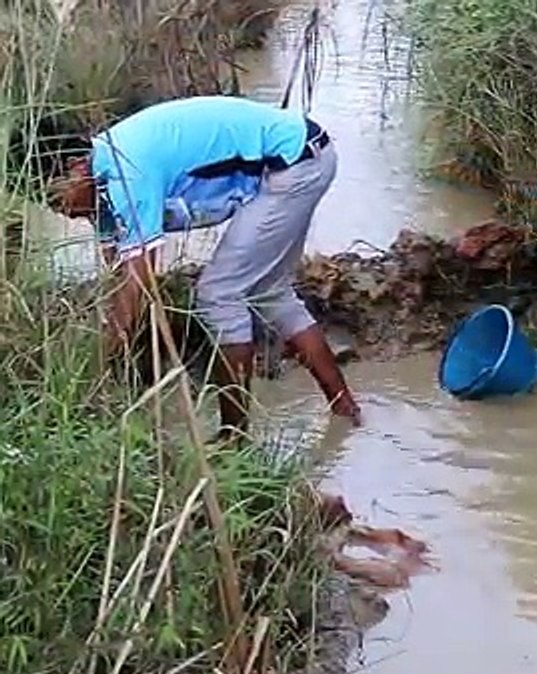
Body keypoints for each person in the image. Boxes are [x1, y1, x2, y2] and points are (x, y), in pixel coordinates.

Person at [50, 95, 361, 439]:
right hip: (302, 153)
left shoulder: (125, 174)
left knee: (218, 295)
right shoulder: (103, 179)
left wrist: (97, 372)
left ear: (77, 168)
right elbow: (118, 275)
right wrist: (122, 338)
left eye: (56, 197)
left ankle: (234, 437)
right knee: (270, 292)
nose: (61, 211)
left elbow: (139, 280)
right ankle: (345, 410)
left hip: (294, 163)